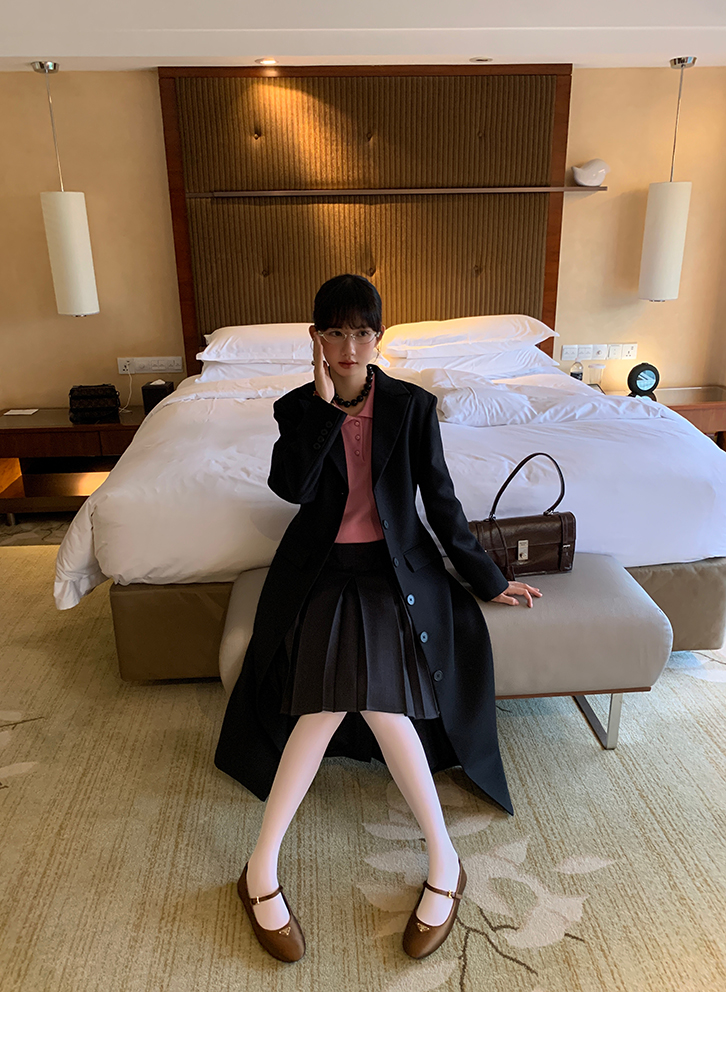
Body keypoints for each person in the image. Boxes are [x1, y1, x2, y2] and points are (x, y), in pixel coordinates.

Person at [215, 274, 542, 963]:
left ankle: (419, 861)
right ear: (316, 338)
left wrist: (488, 578)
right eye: (334, 333)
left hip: (394, 576)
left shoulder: (412, 406)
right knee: (333, 705)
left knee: (370, 705)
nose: (349, 346)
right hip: (322, 573)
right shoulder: (296, 408)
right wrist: (323, 410)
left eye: (361, 333)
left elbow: (441, 503)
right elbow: (290, 488)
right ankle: (269, 868)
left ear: (378, 338)